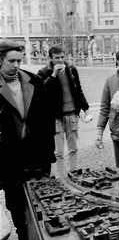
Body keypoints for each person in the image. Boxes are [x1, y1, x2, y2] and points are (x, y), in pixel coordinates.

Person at [0, 40, 56, 240]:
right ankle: (24, 236)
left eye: (19, 60)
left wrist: (48, 149)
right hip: (9, 157)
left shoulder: (33, 80)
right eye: (11, 61)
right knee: (15, 201)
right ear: (1, 60)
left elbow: (48, 116)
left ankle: (44, 235)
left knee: (42, 196)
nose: (16, 65)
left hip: (37, 153)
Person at [38, 44, 91, 175]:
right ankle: (61, 177)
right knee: (59, 151)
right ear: (50, 58)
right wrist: (54, 74)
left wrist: (86, 108)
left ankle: (73, 173)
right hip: (56, 117)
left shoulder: (71, 70)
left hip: (72, 113)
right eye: (57, 58)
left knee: (73, 148)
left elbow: (78, 90)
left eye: (62, 57)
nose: (60, 60)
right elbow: (41, 92)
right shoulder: (44, 72)